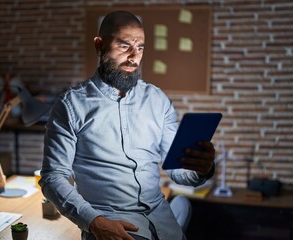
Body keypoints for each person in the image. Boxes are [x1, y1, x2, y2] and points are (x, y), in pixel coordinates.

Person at [39, 11, 215, 240]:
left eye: (140, 47)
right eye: (124, 46)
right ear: (99, 45)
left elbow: (178, 172)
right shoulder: (70, 105)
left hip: (163, 222)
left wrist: (201, 168)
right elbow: (53, 177)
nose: (134, 57)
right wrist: (94, 222)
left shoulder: (158, 100)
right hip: (110, 224)